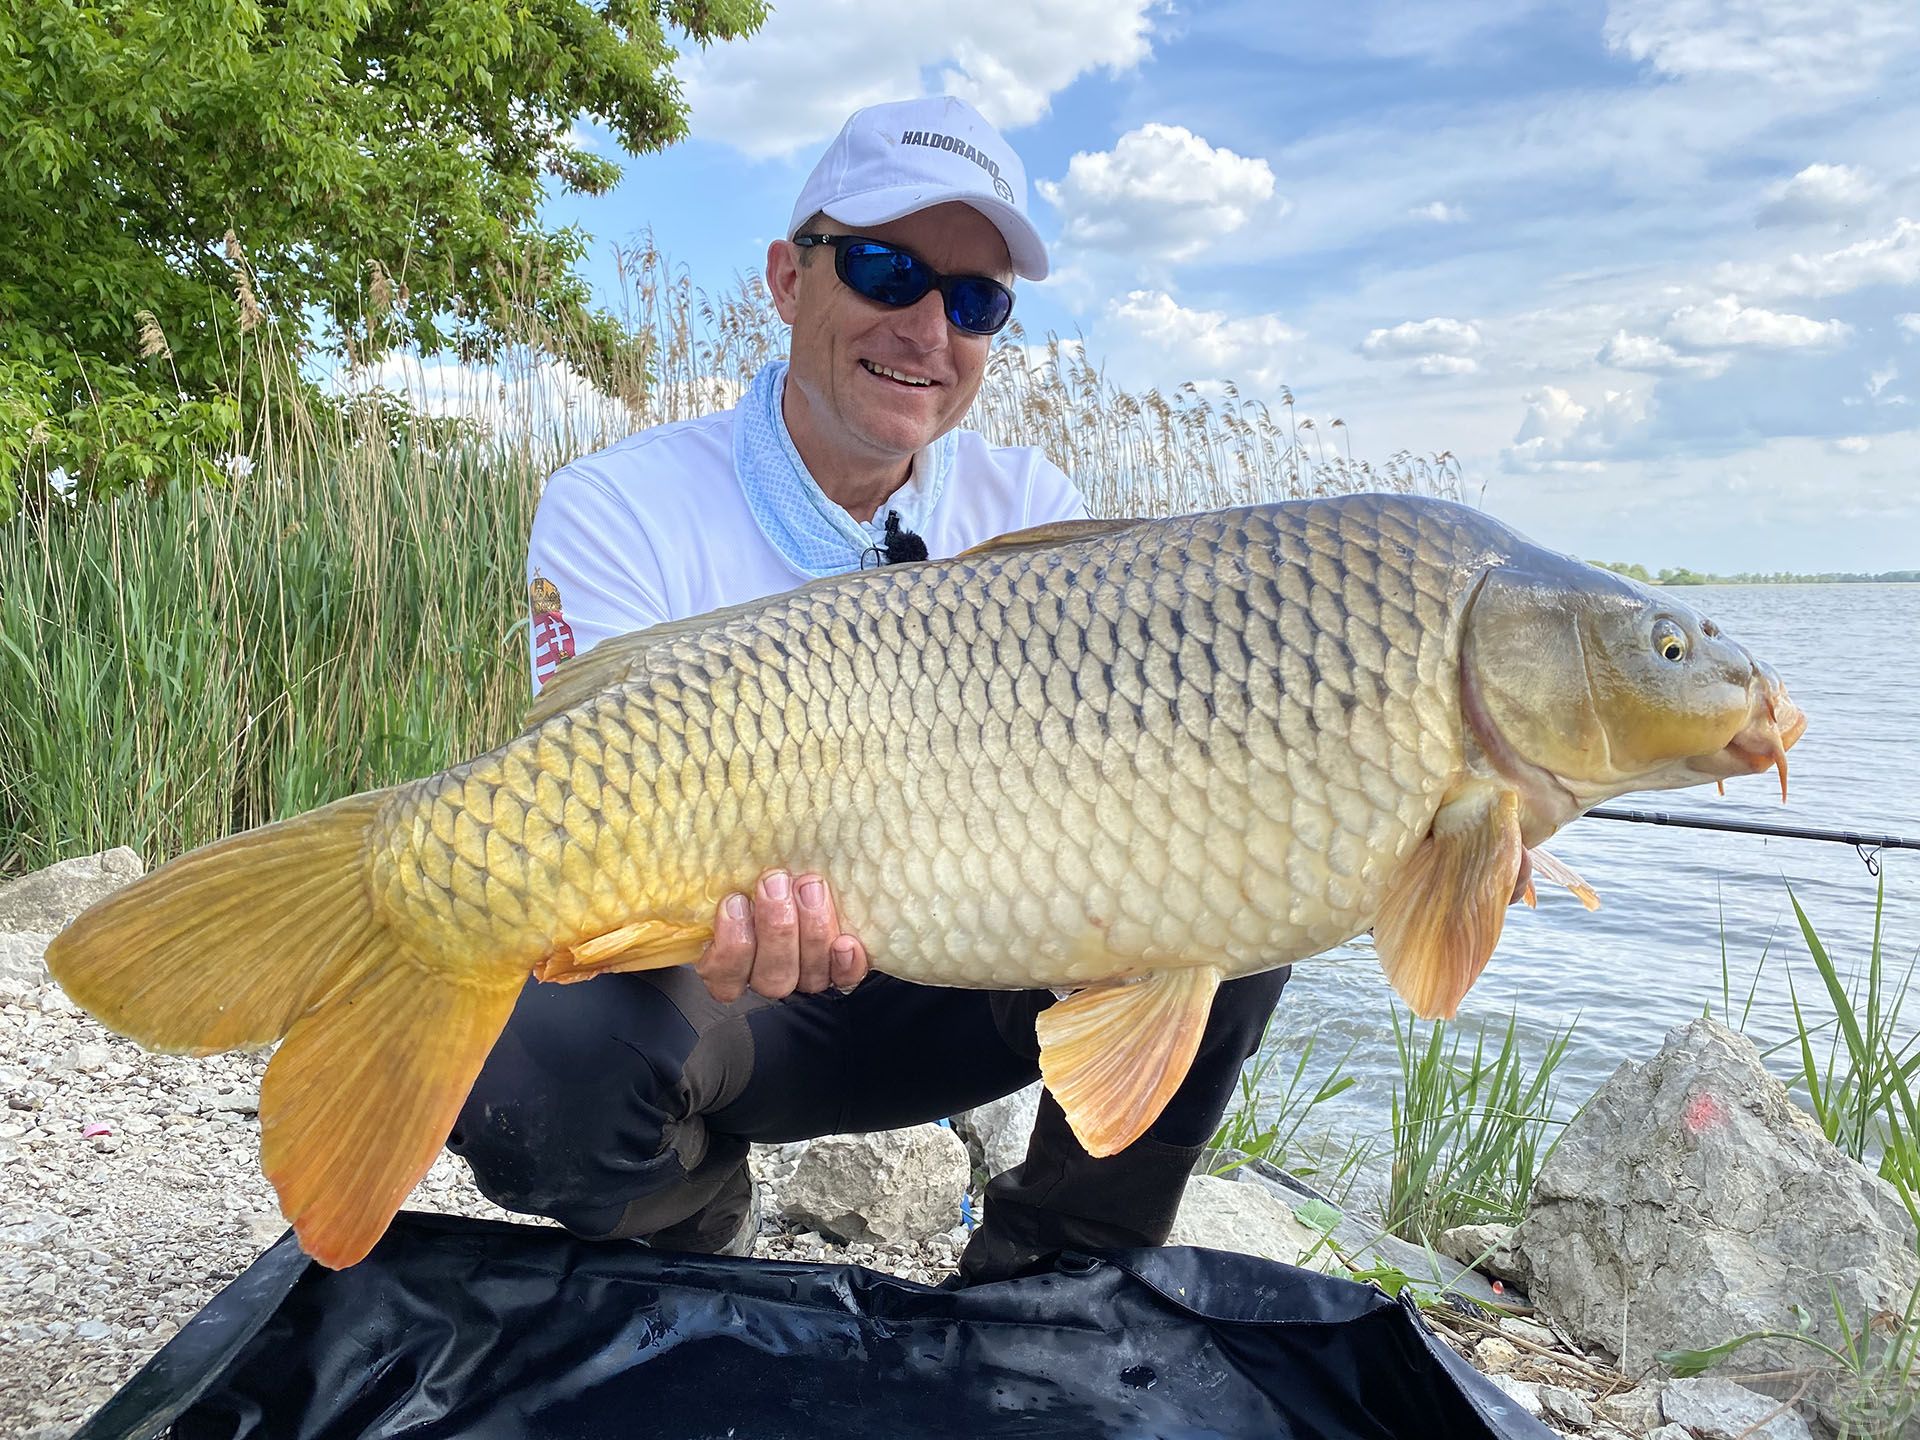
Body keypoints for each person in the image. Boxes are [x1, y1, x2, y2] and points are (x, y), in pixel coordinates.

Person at [448, 95, 1293, 1284]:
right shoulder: (620, 504)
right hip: (733, 992)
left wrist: (1429, 820)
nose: (927, 327)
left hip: (978, 979)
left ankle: (1055, 1276)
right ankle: (689, 1221)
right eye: (887, 269)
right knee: (525, 1062)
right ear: (791, 279)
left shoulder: (1033, 512)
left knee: (1242, 877)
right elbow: (598, 840)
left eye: (975, 298)